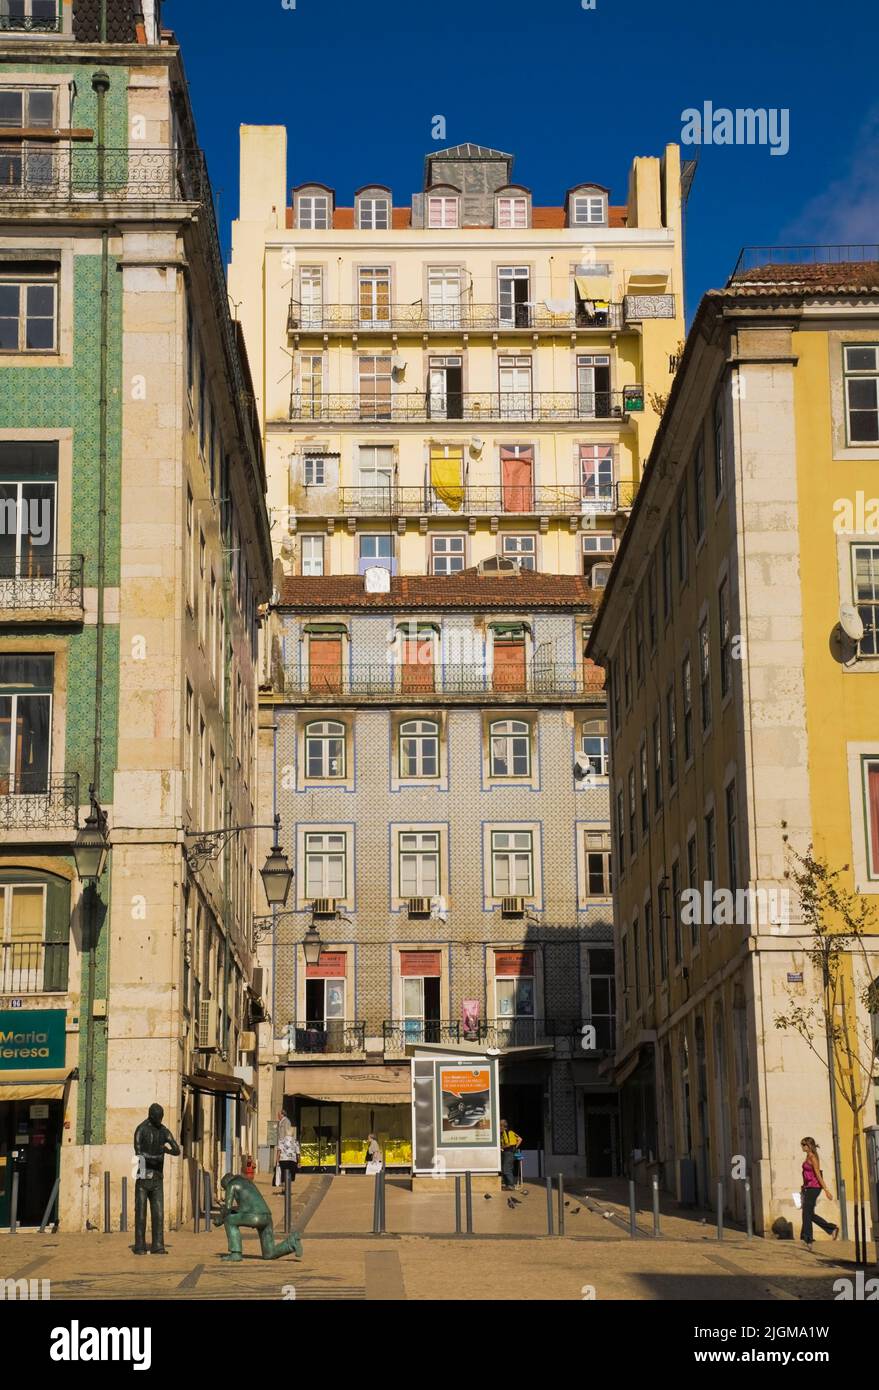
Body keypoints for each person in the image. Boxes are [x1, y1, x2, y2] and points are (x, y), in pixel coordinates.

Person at [212, 1173, 303, 1263]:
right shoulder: (247, 1182)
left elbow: (228, 1208)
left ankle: (236, 1253)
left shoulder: (232, 1184)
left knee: (229, 1220)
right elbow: (244, 1207)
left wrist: (220, 1219)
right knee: (269, 1254)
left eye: (225, 1189)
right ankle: (291, 1243)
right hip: (266, 1217)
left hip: (254, 1216)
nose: (226, 1190)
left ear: (226, 1183)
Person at [132, 1103, 180, 1255]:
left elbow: (177, 1150)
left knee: (158, 1212)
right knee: (140, 1212)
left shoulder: (164, 1131)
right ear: (151, 1116)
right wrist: (157, 1158)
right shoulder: (141, 1130)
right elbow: (139, 1153)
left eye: (162, 1118)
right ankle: (140, 1245)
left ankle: (158, 1245)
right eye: (158, 1118)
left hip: (157, 1178)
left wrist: (167, 1150)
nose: (160, 1120)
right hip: (142, 1176)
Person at [799, 1136, 839, 1247]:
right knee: (809, 1213)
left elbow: (817, 1174)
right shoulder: (808, 1156)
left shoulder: (813, 1158)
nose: (802, 1147)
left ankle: (808, 1239)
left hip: (815, 1187)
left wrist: (826, 1190)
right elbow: (806, 1174)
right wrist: (803, 1186)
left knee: (806, 1212)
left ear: (809, 1145)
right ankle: (832, 1228)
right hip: (808, 1187)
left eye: (804, 1145)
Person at [500, 1119, 522, 1191]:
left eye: (500, 1125)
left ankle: (510, 1185)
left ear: (502, 1126)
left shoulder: (505, 1132)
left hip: (508, 1152)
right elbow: (520, 1139)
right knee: (506, 1168)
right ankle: (508, 1185)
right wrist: (515, 1147)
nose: (499, 1127)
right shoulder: (511, 1132)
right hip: (510, 1152)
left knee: (506, 1169)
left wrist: (500, 1147)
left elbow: (508, 1144)